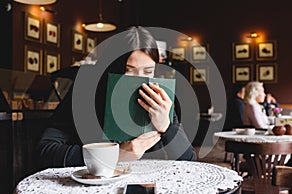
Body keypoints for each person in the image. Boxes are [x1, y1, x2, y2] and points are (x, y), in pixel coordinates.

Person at [38, 26, 196, 168]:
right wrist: (114, 156)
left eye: (148, 72)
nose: (139, 80)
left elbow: (190, 161)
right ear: (111, 68)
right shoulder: (86, 92)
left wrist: (167, 127)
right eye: (129, 71)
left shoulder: (157, 97)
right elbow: (45, 151)